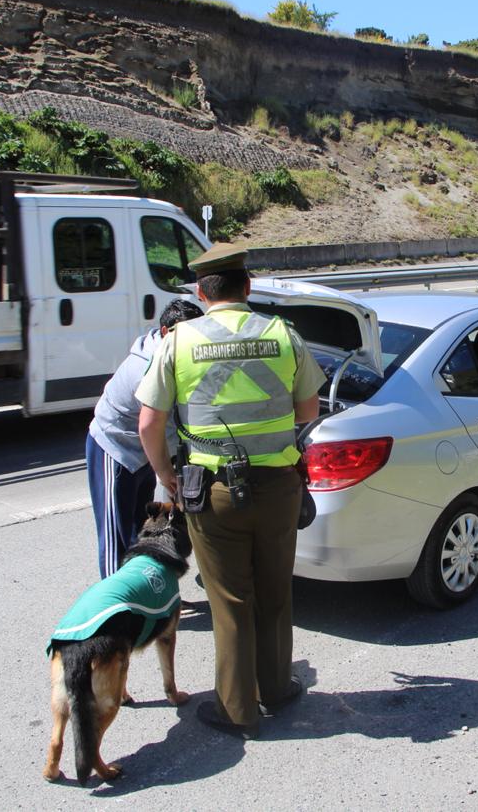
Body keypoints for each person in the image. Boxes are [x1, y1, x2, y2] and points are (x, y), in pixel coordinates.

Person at [136, 241, 326, 739]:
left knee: (230, 599)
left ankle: (237, 709)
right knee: (275, 592)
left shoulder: (177, 341)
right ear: (248, 287)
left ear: (202, 292)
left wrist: (168, 477)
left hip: (211, 490)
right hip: (280, 486)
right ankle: (277, 689)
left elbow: (149, 422)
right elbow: (309, 412)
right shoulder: (284, 333)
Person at [87, 298, 203, 579]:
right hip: (115, 448)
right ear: (165, 332)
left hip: (147, 452)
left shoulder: (177, 357)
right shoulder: (148, 367)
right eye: (184, 336)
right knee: (116, 532)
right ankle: (118, 604)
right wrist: (167, 472)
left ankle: (151, 593)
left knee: (146, 530)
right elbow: (153, 425)